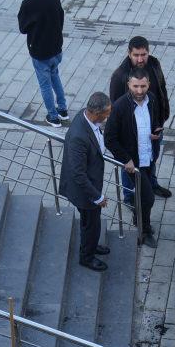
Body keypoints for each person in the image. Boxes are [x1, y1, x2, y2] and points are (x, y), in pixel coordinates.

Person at [106, 69, 164, 248]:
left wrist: (154, 133)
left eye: (143, 86)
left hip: (148, 156)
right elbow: (109, 138)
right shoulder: (119, 107)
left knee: (143, 196)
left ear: (148, 84)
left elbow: (152, 122)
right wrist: (126, 159)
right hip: (134, 162)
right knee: (148, 198)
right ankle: (143, 231)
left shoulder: (152, 99)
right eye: (135, 86)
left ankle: (139, 219)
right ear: (128, 85)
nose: (139, 91)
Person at [109, 36, 171, 199]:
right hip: (131, 132)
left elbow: (162, 88)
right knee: (129, 165)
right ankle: (129, 197)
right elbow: (115, 110)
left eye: (143, 54)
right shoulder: (120, 76)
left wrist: (162, 118)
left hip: (154, 122)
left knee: (151, 156)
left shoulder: (154, 63)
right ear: (129, 53)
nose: (140, 58)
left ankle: (152, 184)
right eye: (136, 55)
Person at [59, 92, 112, 271]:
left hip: (90, 184)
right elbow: (78, 174)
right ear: (97, 114)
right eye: (107, 113)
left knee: (91, 222)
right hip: (85, 192)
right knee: (91, 223)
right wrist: (97, 197)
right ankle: (87, 256)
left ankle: (91, 245)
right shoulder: (78, 137)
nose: (108, 116)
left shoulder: (87, 115)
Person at [17, 0, 69, 127]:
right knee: (55, 75)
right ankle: (63, 109)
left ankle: (53, 117)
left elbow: (23, 28)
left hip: (40, 53)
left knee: (45, 85)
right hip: (56, 47)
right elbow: (60, 14)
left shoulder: (28, 3)